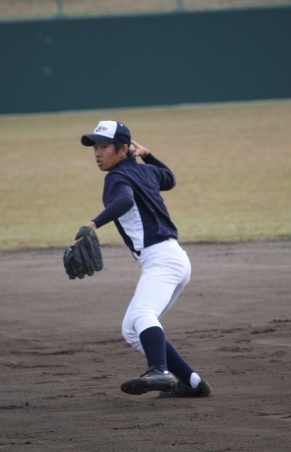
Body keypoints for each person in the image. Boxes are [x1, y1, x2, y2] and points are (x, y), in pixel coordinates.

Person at [78, 120, 211, 398]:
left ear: (123, 149)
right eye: (95, 147)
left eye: (104, 147)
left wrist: (93, 224)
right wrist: (148, 155)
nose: (97, 153)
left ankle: (159, 370)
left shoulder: (116, 178)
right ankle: (192, 383)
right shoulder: (146, 170)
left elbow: (125, 201)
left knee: (142, 315)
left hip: (162, 259)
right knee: (132, 329)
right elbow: (169, 178)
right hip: (173, 258)